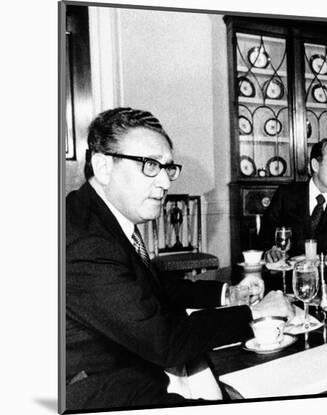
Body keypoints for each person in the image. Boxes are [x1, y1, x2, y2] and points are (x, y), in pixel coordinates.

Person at [65, 107, 294, 411]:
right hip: (99, 389)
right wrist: (254, 313)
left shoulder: (98, 217)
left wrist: (227, 294)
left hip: (129, 367)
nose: (164, 182)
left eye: (167, 168)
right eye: (149, 165)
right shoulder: (84, 240)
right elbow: (166, 341)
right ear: (104, 166)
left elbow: (153, 285)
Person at [259, 138, 327, 262]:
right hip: (290, 276)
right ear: (315, 165)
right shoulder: (286, 195)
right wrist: (271, 250)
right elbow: (264, 238)